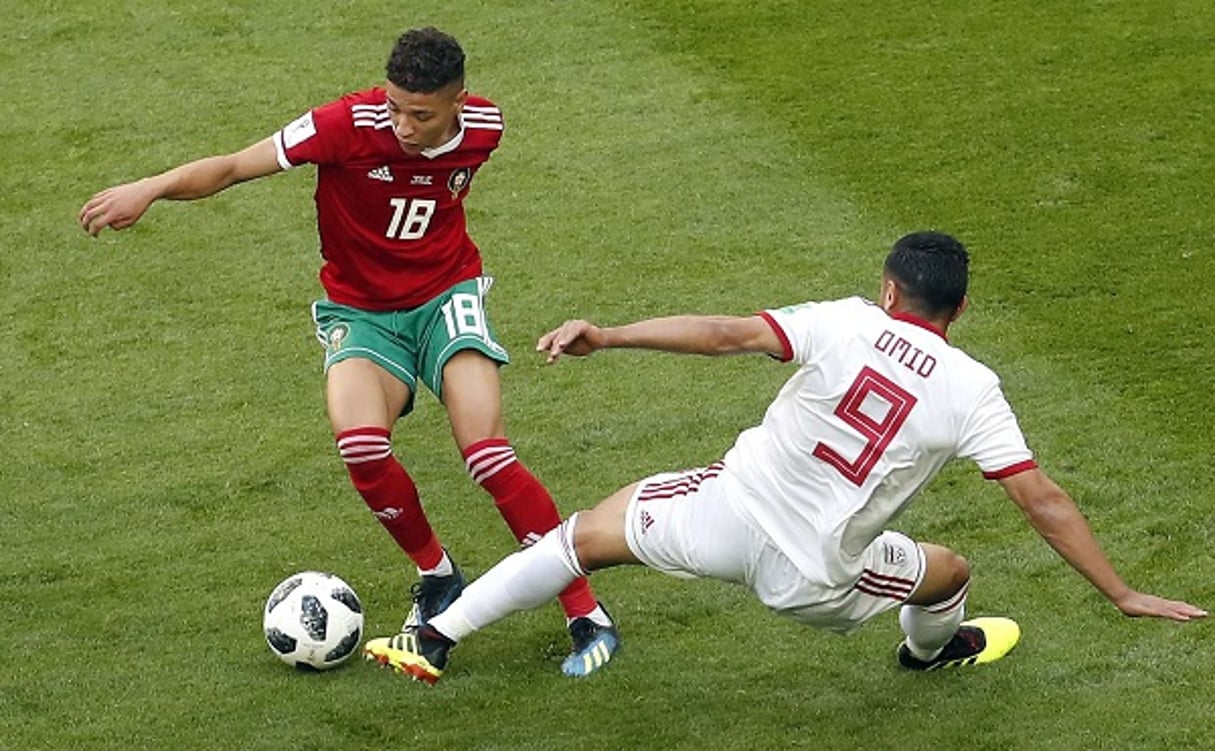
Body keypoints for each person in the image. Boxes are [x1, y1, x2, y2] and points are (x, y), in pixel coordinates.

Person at [363, 230, 1206, 684]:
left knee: (580, 535)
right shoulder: (973, 386)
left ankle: (434, 637)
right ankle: (927, 653)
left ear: (887, 289)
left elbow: (728, 335)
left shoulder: (843, 319)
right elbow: (1042, 499)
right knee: (948, 571)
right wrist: (1121, 591)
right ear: (959, 308)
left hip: (721, 515)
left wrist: (610, 333)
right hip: (814, 575)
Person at [77, 27, 619, 676]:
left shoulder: (485, 127)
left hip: (446, 296)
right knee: (361, 443)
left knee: (486, 452)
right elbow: (231, 168)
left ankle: (585, 609)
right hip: (360, 312)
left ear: (458, 102)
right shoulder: (342, 126)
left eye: (420, 114)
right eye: (394, 107)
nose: (403, 125)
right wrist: (152, 187)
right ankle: (438, 574)